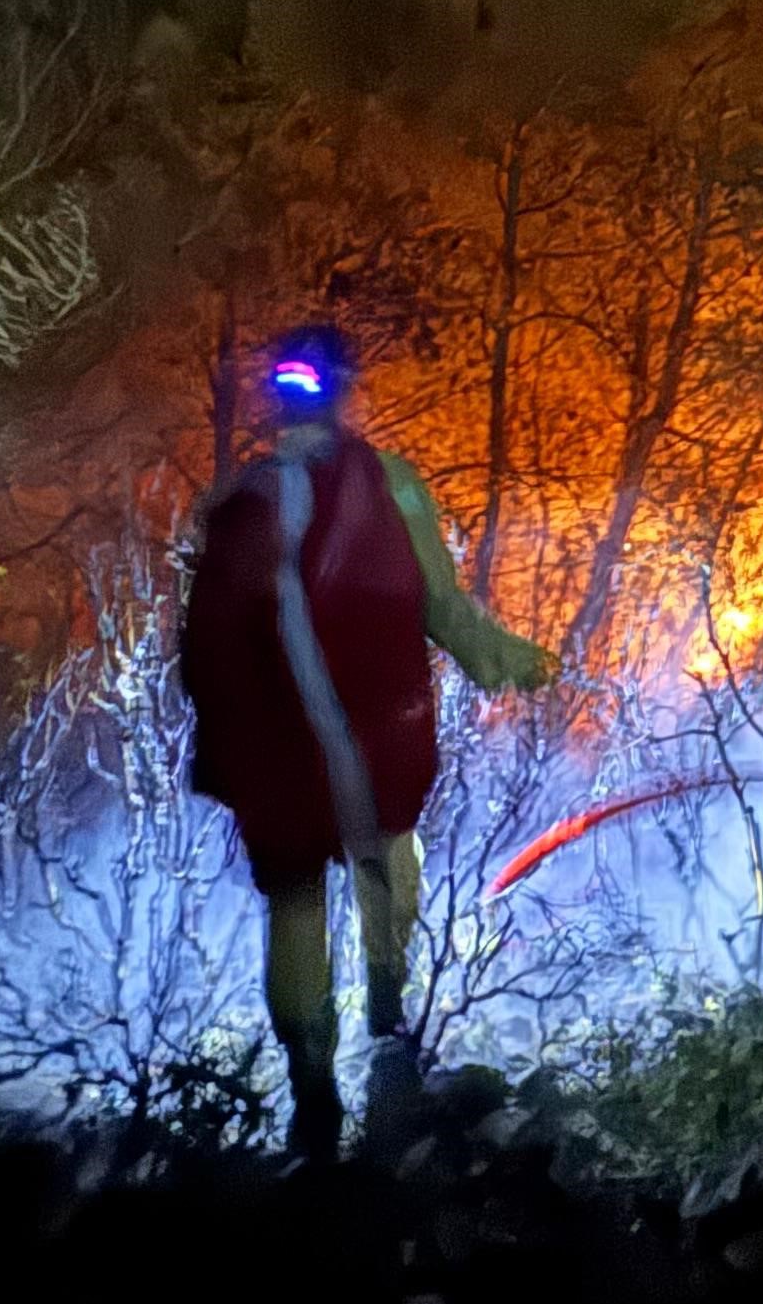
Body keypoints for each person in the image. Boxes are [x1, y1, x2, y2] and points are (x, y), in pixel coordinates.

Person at [179, 321, 553, 1160]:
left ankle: (320, 1098)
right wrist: (511, 660)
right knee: (386, 871)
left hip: (282, 761)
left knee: (301, 906)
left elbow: (203, 648)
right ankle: (385, 1042)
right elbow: (441, 606)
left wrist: (227, 756)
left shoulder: (243, 500)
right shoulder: (387, 484)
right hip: (368, 746)